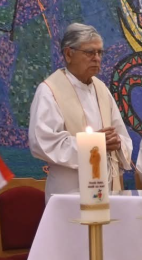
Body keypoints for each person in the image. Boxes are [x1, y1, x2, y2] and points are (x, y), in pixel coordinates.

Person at [28, 23, 132, 200]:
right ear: (69, 54)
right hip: (70, 192)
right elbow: (43, 142)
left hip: (106, 189)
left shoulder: (102, 89)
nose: (97, 58)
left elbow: (122, 137)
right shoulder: (50, 90)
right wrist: (94, 144)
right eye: (90, 52)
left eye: (100, 52)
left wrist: (117, 142)